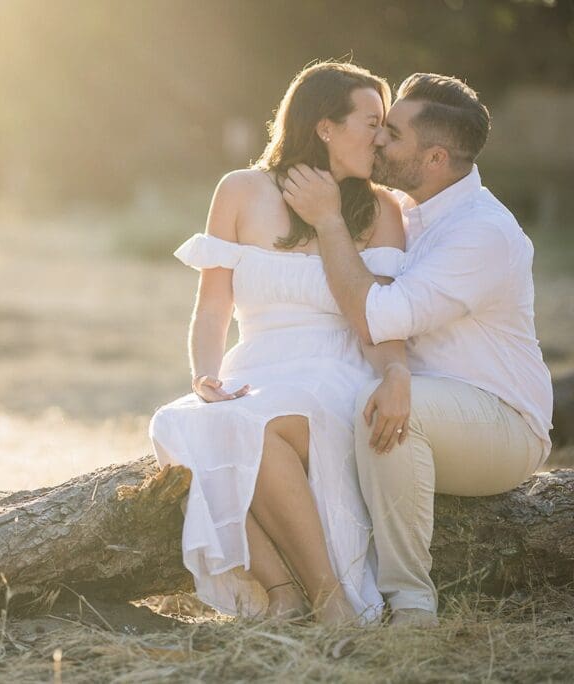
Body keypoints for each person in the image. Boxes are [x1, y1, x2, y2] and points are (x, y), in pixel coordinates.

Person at [280, 73, 553, 627]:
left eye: (393, 134)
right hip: (432, 402)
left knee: (385, 409)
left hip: (503, 421)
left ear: (434, 158)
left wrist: (329, 221)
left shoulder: (481, 233)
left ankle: (411, 607)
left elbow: (375, 316)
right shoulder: (406, 209)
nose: (377, 138)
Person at [148, 61, 410, 627]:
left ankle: (331, 600)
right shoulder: (239, 191)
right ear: (325, 127)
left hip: (334, 370)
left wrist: (395, 374)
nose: (382, 138)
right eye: (372, 123)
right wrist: (205, 375)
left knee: (257, 424)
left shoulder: (382, 210)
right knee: (180, 423)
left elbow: (380, 319)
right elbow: (213, 306)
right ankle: (283, 594)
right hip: (256, 364)